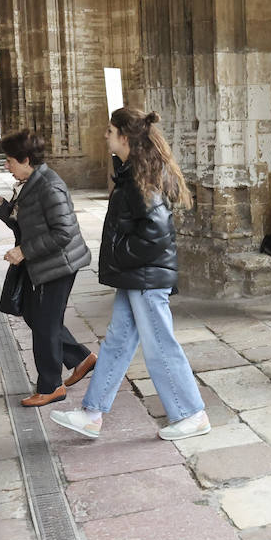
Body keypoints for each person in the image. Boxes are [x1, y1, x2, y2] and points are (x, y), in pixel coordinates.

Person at [50, 108, 211, 441]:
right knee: (118, 342)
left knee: (159, 346)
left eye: (110, 130)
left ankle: (192, 414)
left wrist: (121, 256)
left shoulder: (141, 176)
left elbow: (155, 232)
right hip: (136, 276)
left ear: (124, 136)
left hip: (145, 277)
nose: (105, 135)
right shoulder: (133, 171)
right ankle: (91, 414)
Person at [0, 130, 95, 407]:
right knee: (37, 316)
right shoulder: (32, 182)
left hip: (58, 265)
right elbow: (28, 224)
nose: (6, 166)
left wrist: (24, 251)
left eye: (9, 160)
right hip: (47, 263)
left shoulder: (48, 185)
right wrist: (4, 208)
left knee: (45, 325)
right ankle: (79, 358)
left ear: (25, 160)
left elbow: (64, 232)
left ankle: (50, 386)